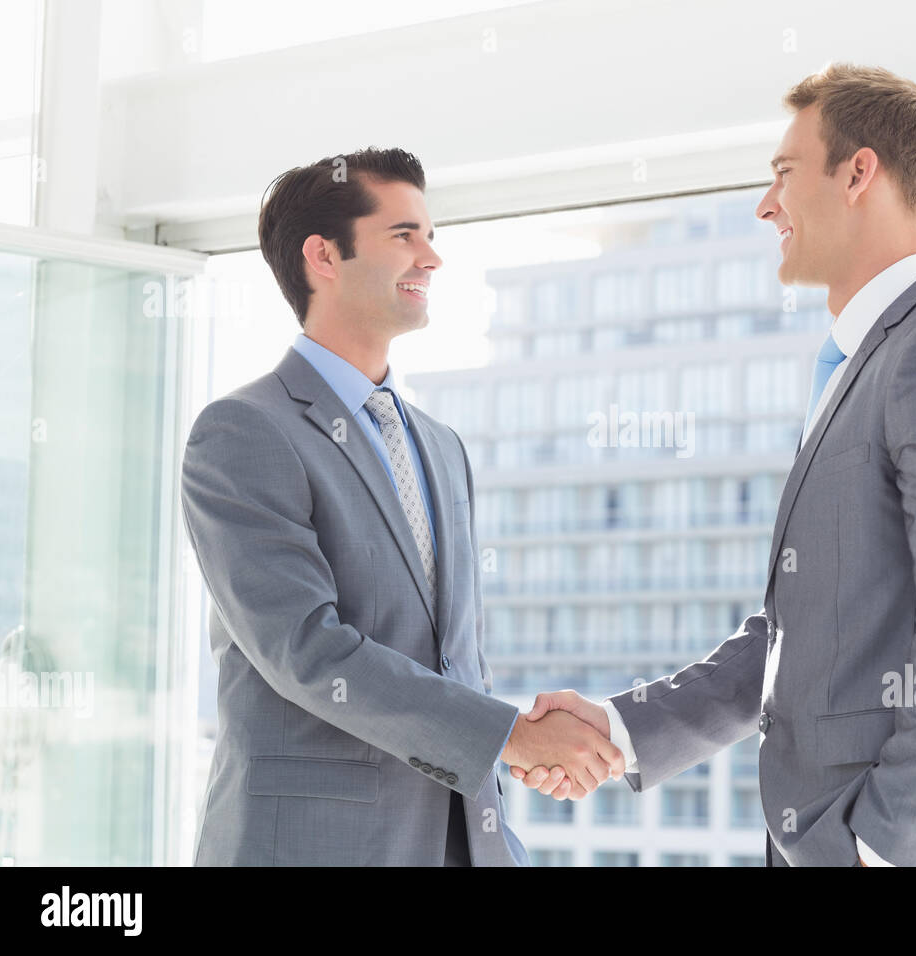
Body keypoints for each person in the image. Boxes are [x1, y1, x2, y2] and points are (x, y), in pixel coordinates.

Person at [512, 64, 916, 867]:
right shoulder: (861, 365)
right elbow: (793, 640)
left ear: (858, 172)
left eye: (783, 174)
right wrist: (621, 729)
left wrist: (886, 841)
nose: (767, 204)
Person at [181, 147, 623, 866]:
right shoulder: (243, 433)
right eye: (404, 236)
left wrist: (510, 766)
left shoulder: (440, 445)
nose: (431, 258)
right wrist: (510, 734)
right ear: (323, 257)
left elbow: (456, 662)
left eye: (432, 236)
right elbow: (308, 650)